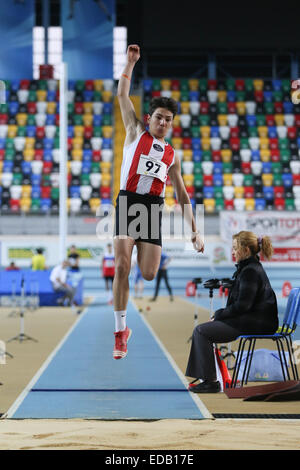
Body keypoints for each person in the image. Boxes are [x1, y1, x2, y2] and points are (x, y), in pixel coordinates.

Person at [112, 44, 204, 360]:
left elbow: (182, 195)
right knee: (122, 266)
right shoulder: (136, 130)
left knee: (149, 273)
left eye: (168, 120)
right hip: (128, 202)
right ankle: (120, 331)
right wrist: (130, 62)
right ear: (150, 117)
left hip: (152, 209)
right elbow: (123, 96)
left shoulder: (171, 155)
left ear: (172, 123)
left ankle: (137, 256)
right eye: (159, 117)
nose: (163, 123)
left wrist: (195, 230)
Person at [185, 231, 279, 393]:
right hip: (253, 320)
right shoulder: (250, 268)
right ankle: (208, 378)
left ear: (246, 250)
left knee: (201, 331)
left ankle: (210, 381)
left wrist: (219, 314)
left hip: (254, 323)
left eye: (235, 248)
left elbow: (242, 306)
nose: (233, 252)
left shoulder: (250, 271)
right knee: (202, 330)